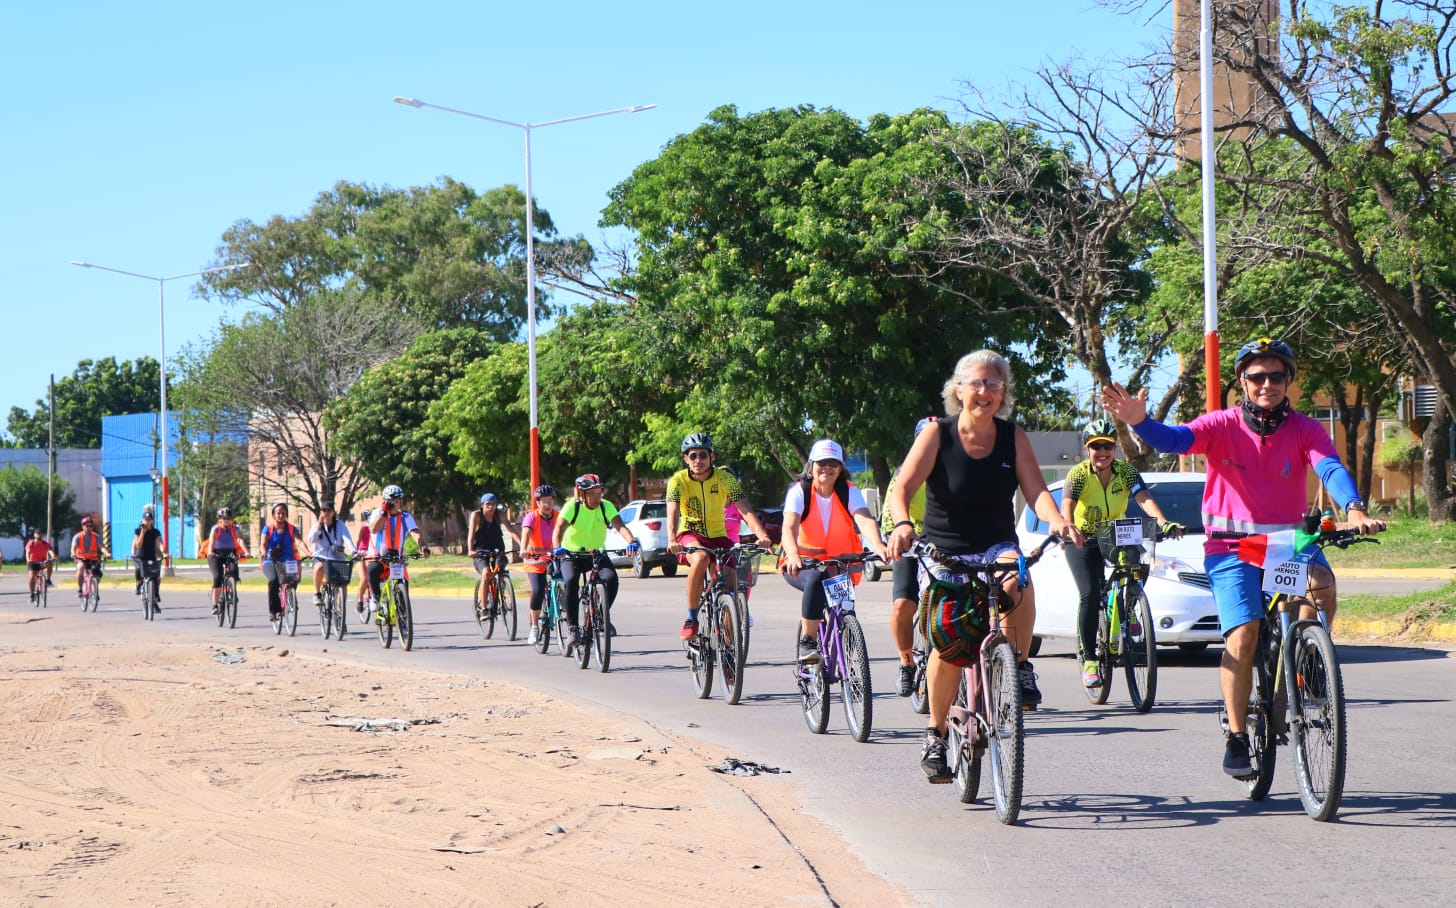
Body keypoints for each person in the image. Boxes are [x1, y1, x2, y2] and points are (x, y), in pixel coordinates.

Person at [1101, 337, 1385, 778]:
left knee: (1322, 590)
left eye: (1275, 375)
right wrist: (1141, 422)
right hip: (1234, 547)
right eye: (1257, 376)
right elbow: (1177, 440)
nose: (1266, 383)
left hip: (1288, 543)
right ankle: (1237, 734)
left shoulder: (1306, 429)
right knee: (1244, 633)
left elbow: (1329, 466)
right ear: (1242, 382)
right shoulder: (1221, 424)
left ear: (1288, 380)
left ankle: (1307, 661)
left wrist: (1354, 507)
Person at [885, 350, 1073, 784]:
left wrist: (1059, 522)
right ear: (958, 389)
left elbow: (1038, 492)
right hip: (945, 549)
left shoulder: (1013, 437)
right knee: (950, 644)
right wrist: (902, 524)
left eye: (993, 384)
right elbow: (902, 488)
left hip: (994, 545)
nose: (984, 391)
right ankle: (934, 734)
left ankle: (1019, 667)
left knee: (1018, 579)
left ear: (1003, 393)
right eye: (976, 383)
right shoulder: (937, 434)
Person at [1061, 417, 1179, 688]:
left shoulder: (1126, 472)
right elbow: (1068, 502)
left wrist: (1163, 522)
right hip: (1083, 537)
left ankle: (1129, 602)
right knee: (1089, 594)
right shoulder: (1078, 474)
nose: (1102, 452)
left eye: (1108, 446)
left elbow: (1143, 498)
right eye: (1096, 446)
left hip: (1115, 532)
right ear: (1087, 448)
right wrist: (1069, 527)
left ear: (1115, 448)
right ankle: (1090, 660)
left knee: (1140, 563)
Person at [779, 439, 888, 663]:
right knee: (816, 579)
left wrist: (878, 545)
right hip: (804, 563)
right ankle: (808, 641)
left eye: (833, 463)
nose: (827, 468)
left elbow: (865, 520)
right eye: (822, 462)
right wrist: (792, 554)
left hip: (840, 564)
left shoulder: (849, 491)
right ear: (811, 466)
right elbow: (789, 526)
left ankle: (851, 667)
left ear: (840, 469)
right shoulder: (801, 491)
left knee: (847, 613)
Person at [666, 433, 772, 640]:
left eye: (703, 455)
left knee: (731, 584)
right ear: (685, 459)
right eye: (693, 456)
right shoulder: (677, 481)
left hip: (719, 537)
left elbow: (745, 509)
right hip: (690, 533)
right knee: (701, 558)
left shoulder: (725, 478)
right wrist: (671, 539)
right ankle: (691, 617)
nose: (698, 460)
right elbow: (672, 513)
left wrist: (762, 536)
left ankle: (729, 647)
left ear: (712, 457)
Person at [550, 474, 638, 649]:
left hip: (596, 553)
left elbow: (620, 526)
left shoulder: (606, 507)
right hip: (571, 554)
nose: (598, 497)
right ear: (582, 495)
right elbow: (558, 528)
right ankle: (573, 629)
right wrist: (557, 546)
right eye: (593, 494)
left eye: (599, 493)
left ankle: (601, 613)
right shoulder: (571, 507)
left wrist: (632, 542)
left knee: (611, 579)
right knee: (570, 582)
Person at [882, 417, 935, 696]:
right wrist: (895, 535)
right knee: (903, 604)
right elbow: (892, 506)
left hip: (941, 543)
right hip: (910, 541)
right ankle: (906, 661)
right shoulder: (906, 470)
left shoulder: (953, 467)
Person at [366, 485, 430, 609]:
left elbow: (415, 533)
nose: (396, 503)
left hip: (397, 558)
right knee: (371, 570)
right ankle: (376, 597)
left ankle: (403, 612)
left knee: (403, 585)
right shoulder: (377, 513)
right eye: (392, 500)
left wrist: (422, 547)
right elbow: (373, 529)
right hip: (379, 557)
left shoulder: (406, 517)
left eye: (398, 500)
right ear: (385, 501)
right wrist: (384, 513)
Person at [519, 485, 560, 645]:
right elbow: (526, 532)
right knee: (537, 590)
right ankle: (535, 627)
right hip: (534, 560)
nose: (548, 505)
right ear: (537, 503)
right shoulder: (532, 517)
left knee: (567, 583)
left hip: (555, 558)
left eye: (550, 501)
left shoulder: (559, 516)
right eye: (544, 502)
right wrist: (523, 548)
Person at [469, 492, 521, 614]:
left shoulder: (500, 515)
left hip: (497, 549)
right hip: (480, 551)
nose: (491, 507)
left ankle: (501, 589)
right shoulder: (476, 515)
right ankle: (484, 609)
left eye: (493, 504)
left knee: (500, 571)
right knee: (486, 573)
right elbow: (471, 534)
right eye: (488, 504)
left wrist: (522, 546)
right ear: (482, 505)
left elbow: (511, 531)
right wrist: (471, 549)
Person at [259, 502, 312, 620]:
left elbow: (299, 542)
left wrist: (308, 552)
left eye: (283, 513)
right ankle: (274, 611)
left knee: (294, 578)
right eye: (278, 513)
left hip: (288, 561)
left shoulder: (292, 529)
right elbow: (263, 544)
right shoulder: (268, 529)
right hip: (270, 561)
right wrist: (265, 553)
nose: (281, 516)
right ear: (273, 515)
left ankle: (290, 596)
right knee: (273, 580)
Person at [200, 507, 250, 614]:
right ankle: (215, 605)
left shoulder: (235, 529)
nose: (226, 520)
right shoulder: (216, 529)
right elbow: (212, 541)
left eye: (228, 518)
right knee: (218, 576)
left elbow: (240, 540)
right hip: (215, 554)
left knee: (233, 571)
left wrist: (246, 552)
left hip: (230, 552)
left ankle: (232, 592)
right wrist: (210, 552)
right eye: (224, 518)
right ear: (220, 519)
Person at [308, 503, 354, 608]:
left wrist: (353, 552)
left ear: (333, 512)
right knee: (319, 567)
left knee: (343, 582)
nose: (326, 513)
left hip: (337, 558)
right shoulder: (316, 526)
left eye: (329, 511)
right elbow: (311, 539)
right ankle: (317, 594)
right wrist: (319, 525)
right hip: (321, 557)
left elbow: (347, 538)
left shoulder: (340, 524)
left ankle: (340, 609)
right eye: (324, 511)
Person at [131, 505, 168, 612]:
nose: (147, 522)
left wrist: (164, 552)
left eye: (149, 520)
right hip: (141, 556)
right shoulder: (138, 531)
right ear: (142, 520)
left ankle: (154, 601)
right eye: (145, 520)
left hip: (151, 556)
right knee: (138, 569)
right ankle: (138, 584)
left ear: (152, 521)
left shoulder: (156, 532)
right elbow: (138, 545)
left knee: (156, 578)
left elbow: (159, 543)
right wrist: (143, 533)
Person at [71, 516, 111, 602]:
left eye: (91, 526)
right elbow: (73, 547)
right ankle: (80, 589)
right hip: (81, 558)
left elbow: (101, 547)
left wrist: (107, 553)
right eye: (87, 526)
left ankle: (94, 588)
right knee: (81, 567)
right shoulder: (78, 537)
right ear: (83, 526)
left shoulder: (96, 536)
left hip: (93, 559)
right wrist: (73, 554)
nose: (89, 528)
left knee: (98, 574)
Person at [24, 528, 56, 602]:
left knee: (49, 563)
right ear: (35, 535)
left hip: (42, 561)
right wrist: (28, 559)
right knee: (32, 577)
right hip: (32, 562)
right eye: (38, 533)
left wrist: (53, 556)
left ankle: (48, 579)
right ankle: (32, 594)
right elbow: (27, 552)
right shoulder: (31, 543)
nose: (39, 535)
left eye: (41, 533)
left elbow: (50, 551)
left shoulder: (46, 544)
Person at [353, 508, 374, 614]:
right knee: (364, 578)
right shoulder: (364, 528)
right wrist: (355, 553)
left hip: (372, 554)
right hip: (362, 553)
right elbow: (358, 540)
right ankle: (360, 600)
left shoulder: (378, 527)